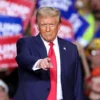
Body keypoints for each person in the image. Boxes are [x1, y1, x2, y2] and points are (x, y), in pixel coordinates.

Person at [14, 7, 84, 100]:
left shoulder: (71, 48)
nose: (48, 29)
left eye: (51, 25)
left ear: (59, 26)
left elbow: (77, 82)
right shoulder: (26, 42)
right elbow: (23, 58)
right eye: (43, 25)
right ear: (38, 26)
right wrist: (39, 63)